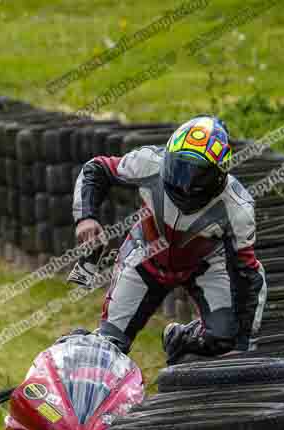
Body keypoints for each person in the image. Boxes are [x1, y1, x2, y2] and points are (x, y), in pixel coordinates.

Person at [72, 115, 267, 364]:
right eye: (179, 168)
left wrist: (243, 345)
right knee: (110, 343)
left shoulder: (238, 207)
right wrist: (86, 217)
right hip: (145, 255)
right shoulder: (149, 162)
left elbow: (249, 274)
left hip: (204, 266)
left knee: (223, 340)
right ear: (167, 157)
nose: (185, 184)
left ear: (219, 176)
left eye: (199, 175)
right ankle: (81, 359)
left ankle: (180, 337)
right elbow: (96, 168)